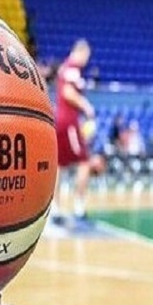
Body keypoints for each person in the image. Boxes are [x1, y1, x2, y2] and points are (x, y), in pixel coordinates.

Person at [54, 39, 95, 226]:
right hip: (69, 122)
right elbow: (68, 93)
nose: (86, 60)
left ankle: (55, 208)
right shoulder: (72, 68)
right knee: (84, 161)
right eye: (86, 56)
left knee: (60, 165)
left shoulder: (65, 67)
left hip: (61, 120)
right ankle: (79, 206)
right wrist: (85, 105)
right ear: (81, 52)